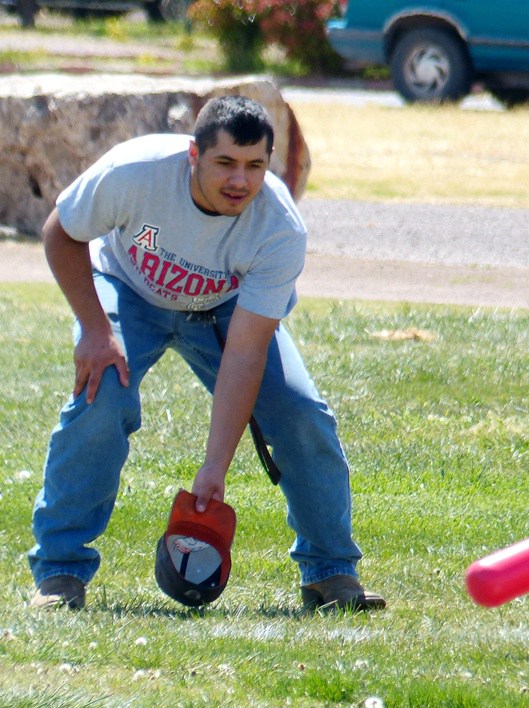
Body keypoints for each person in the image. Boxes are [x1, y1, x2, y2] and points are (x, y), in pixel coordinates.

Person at [27, 95, 384, 613]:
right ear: (193, 155)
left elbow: (244, 353)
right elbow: (61, 231)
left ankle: (330, 573)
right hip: (129, 290)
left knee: (300, 414)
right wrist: (95, 330)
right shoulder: (137, 171)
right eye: (225, 163)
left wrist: (214, 468)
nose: (240, 180)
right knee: (101, 398)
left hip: (224, 309)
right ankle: (59, 573)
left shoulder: (278, 229)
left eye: (255, 166)